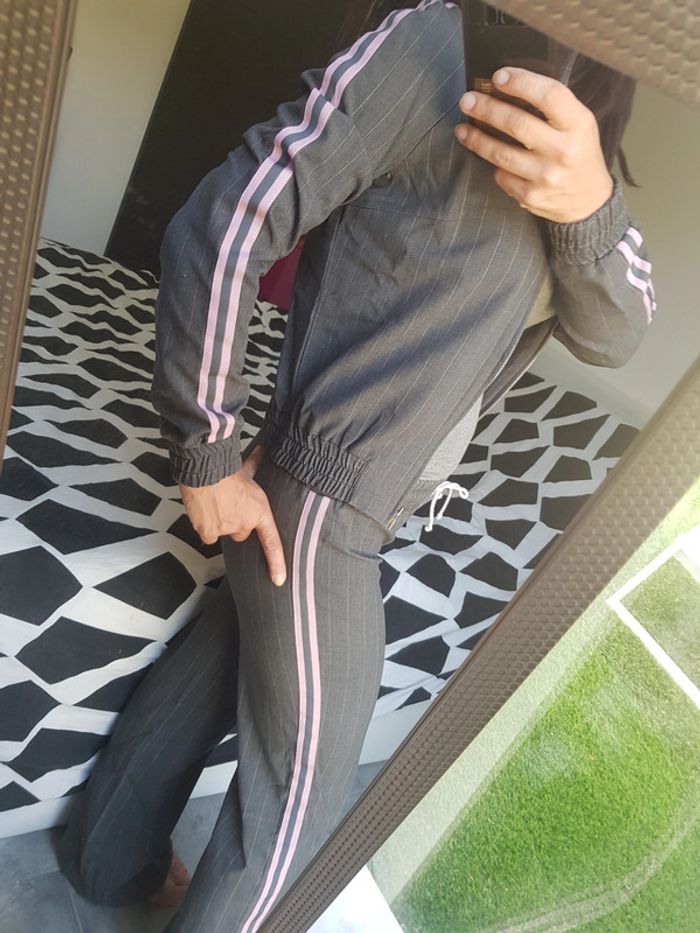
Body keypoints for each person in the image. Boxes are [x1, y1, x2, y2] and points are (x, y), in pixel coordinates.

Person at [56, 1, 656, 930]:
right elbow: (227, 222)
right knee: (298, 800)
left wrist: (587, 207)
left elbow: (617, 333)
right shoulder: (433, 40)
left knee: (218, 664)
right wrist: (206, 447)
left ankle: (105, 858)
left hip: (336, 495)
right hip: (326, 507)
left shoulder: (586, 153)